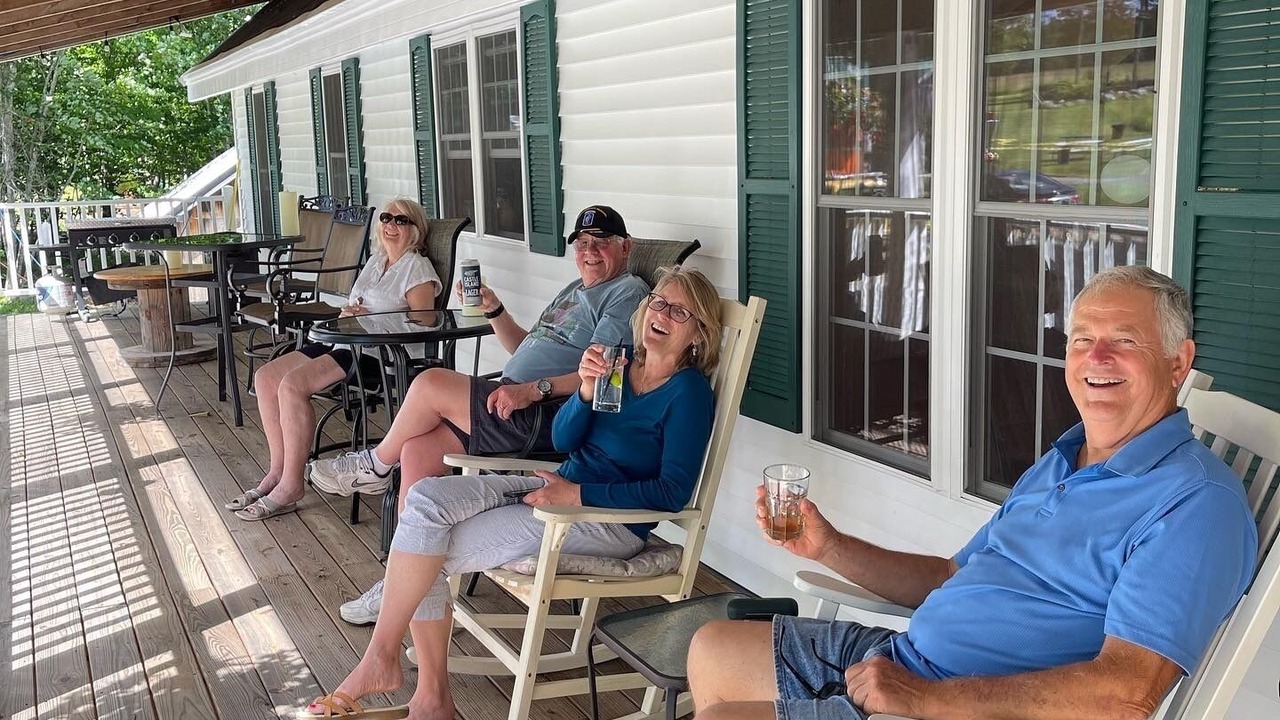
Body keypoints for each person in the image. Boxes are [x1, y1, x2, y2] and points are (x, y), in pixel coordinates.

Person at [687, 266, 1258, 720]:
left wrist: (922, 700)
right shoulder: (1063, 459)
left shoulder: (1197, 505)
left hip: (957, 705)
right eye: (1083, 339)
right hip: (906, 664)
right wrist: (828, 547)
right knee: (712, 647)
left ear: (1178, 362)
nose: (1095, 359)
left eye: (1124, 341)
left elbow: (1126, 695)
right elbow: (949, 577)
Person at [299, 268, 724, 720]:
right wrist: (582, 391)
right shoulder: (619, 364)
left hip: (605, 520)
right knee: (424, 500)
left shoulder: (688, 394)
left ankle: (408, 682)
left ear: (698, 333)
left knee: (428, 549)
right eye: (659, 302)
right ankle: (414, 685)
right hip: (556, 485)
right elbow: (564, 441)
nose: (662, 314)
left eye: (680, 312)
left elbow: (672, 492)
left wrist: (578, 496)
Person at [306, 205, 650, 623]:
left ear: (625, 247)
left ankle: (375, 466)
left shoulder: (627, 293)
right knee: (416, 451)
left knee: (431, 382)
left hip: (548, 415)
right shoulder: (573, 291)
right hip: (512, 401)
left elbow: (602, 370)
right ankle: (401, 583)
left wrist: (533, 389)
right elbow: (525, 347)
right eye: (582, 244)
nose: (589, 252)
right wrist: (494, 310)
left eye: (601, 243)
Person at [223, 198, 442, 521]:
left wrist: (372, 320)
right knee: (267, 377)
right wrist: (350, 312)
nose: (391, 225)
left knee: (292, 386)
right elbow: (357, 303)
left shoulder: (417, 268)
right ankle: (277, 471)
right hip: (345, 341)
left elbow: (425, 323)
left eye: (401, 220)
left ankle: (291, 486)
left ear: (416, 231)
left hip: (377, 355)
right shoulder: (376, 261)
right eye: (386, 218)